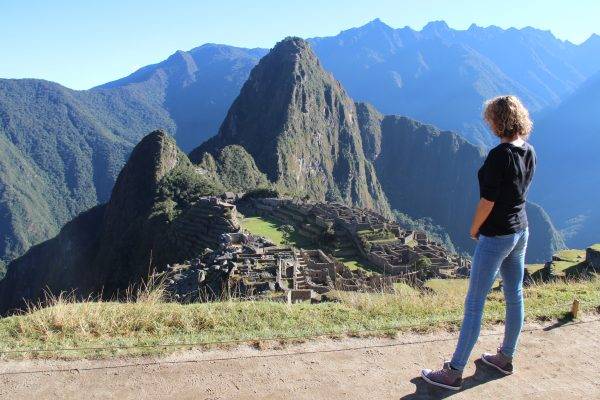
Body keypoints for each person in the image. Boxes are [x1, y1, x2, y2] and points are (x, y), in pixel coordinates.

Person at [421, 95, 536, 391]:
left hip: (497, 234)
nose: (488, 124)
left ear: (498, 121)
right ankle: (505, 358)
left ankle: (453, 372)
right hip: (520, 231)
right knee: (514, 294)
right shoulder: (529, 151)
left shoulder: (500, 155)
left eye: (490, 119)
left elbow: (488, 200)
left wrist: (475, 228)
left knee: (474, 304)